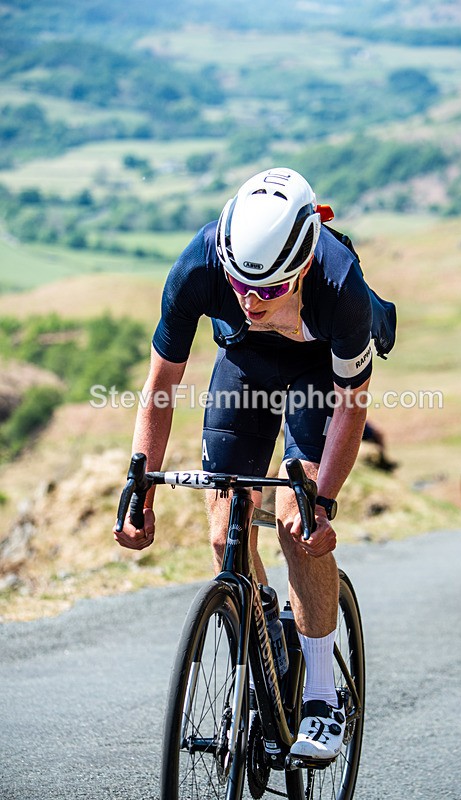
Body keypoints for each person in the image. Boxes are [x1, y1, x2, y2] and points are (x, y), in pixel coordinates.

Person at [113, 167, 396, 762]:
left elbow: (351, 408)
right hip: (245, 365)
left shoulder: (339, 287)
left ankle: (321, 698)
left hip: (319, 371)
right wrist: (140, 486)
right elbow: (161, 385)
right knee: (224, 536)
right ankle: (270, 643)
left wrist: (324, 501)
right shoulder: (199, 264)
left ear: (302, 269)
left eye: (267, 291)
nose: (248, 301)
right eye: (241, 285)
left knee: (295, 519)